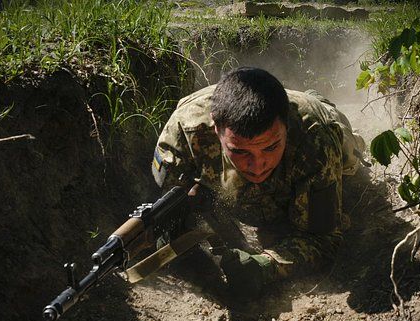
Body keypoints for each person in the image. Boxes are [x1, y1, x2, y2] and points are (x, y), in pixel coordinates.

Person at [151, 67, 365, 295]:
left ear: (287, 126)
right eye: (240, 151)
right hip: (230, 106)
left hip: (323, 121)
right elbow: (171, 198)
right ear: (216, 129)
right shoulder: (183, 132)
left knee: (349, 150)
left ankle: (317, 99)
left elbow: (324, 238)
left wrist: (266, 265)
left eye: (271, 147)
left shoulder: (315, 138)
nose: (258, 165)